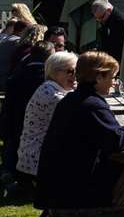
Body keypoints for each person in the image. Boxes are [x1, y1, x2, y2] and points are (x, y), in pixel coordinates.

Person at [36, 51, 124, 210]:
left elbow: (101, 132)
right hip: (74, 186)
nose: (114, 83)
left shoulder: (73, 99)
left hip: (57, 182)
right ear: (99, 77)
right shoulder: (92, 105)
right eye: (112, 77)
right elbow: (115, 141)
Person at [17, 50, 78, 178]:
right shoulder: (54, 96)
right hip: (38, 159)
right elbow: (80, 117)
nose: (75, 76)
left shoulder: (49, 87)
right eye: (71, 71)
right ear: (56, 73)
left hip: (31, 154)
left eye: (77, 71)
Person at [0, 39, 52, 188]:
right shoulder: (44, 80)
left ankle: (8, 171)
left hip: (13, 122)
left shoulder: (18, 73)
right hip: (31, 126)